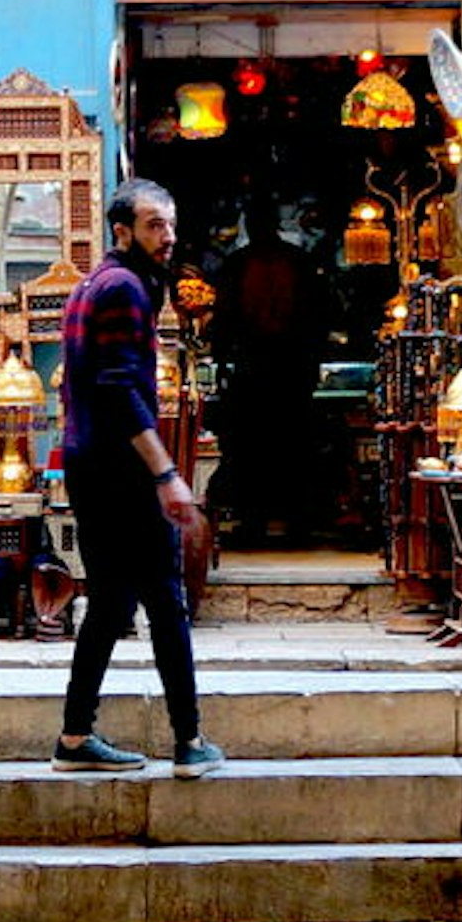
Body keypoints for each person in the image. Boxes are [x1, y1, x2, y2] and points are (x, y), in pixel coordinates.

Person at [55, 178, 222, 777]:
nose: (167, 236)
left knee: (110, 602)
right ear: (122, 231)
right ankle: (189, 742)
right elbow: (120, 389)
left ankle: (74, 739)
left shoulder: (93, 285)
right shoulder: (124, 288)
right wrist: (168, 475)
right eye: (154, 224)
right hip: (122, 469)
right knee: (166, 600)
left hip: (88, 462)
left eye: (170, 224)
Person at [210, 203, 321, 543]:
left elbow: (224, 319)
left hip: (270, 368)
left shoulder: (244, 264)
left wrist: (223, 355)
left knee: (266, 447)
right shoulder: (286, 262)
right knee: (274, 446)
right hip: (274, 368)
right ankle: (282, 520)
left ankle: (272, 520)